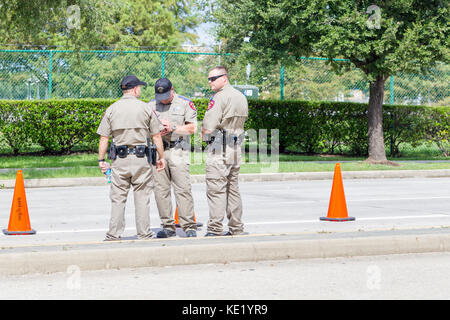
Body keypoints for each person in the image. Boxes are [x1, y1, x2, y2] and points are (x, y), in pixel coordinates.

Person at [97, 75, 165, 241]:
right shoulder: (146, 109)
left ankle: (113, 234)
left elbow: (104, 138)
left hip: (119, 161)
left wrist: (101, 160)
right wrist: (161, 157)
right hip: (141, 160)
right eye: (140, 88)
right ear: (135, 89)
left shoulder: (111, 109)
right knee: (142, 197)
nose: (140, 90)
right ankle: (144, 233)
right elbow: (156, 136)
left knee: (118, 198)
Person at [201, 66, 248, 236]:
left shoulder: (219, 97)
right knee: (233, 188)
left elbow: (208, 126)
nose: (210, 82)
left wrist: (205, 139)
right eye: (209, 79)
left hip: (219, 148)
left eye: (213, 78)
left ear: (224, 78)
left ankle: (215, 228)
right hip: (235, 147)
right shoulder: (240, 96)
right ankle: (236, 227)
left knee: (216, 189)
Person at [149, 78, 198, 238]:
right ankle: (167, 226)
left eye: (165, 96)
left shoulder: (185, 103)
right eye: (159, 97)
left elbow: (193, 128)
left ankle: (188, 225)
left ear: (172, 90)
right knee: (160, 190)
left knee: (183, 189)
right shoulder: (151, 105)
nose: (162, 100)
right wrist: (156, 130)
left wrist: (173, 127)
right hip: (158, 150)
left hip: (178, 149)